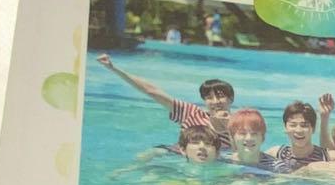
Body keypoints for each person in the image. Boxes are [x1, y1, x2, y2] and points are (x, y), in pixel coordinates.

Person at [95, 54, 235, 149]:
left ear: (231, 99)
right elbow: (151, 91)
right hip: (175, 158)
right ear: (204, 101)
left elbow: (240, 156)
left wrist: (228, 127)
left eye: (220, 96)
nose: (215, 102)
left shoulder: (240, 124)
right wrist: (114, 69)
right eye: (209, 98)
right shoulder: (191, 113)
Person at [267, 98, 335, 171]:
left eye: (304, 125)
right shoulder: (276, 155)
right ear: (285, 128)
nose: (298, 130)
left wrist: (325, 118)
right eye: (293, 125)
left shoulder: (328, 157)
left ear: (313, 129)